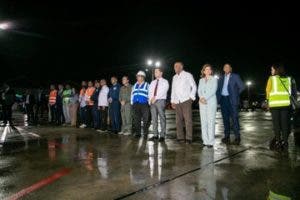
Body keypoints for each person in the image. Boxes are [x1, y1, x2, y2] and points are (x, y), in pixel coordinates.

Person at [266, 64, 297, 150]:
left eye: (272, 70)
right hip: (285, 105)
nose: (271, 71)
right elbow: (293, 91)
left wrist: (268, 102)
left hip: (275, 105)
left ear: (276, 70)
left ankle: (278, 142)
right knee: (285, 125)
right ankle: (285, 143)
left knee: (276, 125)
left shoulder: (271, 78)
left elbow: (268, 91)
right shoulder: (289, 78)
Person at [217, 63, 245, 145]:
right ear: (223, 69)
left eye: (228, 67)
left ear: (230, 69)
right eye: (225, 67)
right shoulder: (221, 78)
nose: (226, 68)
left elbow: (242, 87)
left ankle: (237, 137)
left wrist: (235, 95)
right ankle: (226, 136)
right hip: (223, 100)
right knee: (225, 119)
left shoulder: (235, 76)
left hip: (232, 100)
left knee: (234, 119)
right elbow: (218, 89)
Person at [171, 62, 197, 144]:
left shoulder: (187, 75)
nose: (176, 67)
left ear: (182, 67)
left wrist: (191, 97)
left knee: (188, 120)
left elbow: (194, 86)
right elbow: (173, 90)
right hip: (177, 101)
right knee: (178, 121)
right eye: (175, 66)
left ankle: (189, 138)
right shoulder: (174, 77)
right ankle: (180, 137)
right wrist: (172, 101)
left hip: (186, 100)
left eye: (178, 66)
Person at [198, 64, 218, 148]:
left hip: (211, 102)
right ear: (203, 71)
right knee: (203, 122)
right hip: (202, 103)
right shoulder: (201, 80)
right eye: (206, 69)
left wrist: (205, 98)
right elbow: (199, 90)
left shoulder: (214, 79)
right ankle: (205, 141)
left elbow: (213, 90)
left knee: (210, 121)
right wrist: (201, 98)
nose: (208, 71)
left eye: (209, 69)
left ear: (211, 71)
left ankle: (211, 141)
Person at [148, 68, 169, 142]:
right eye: (154, 72)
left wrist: (155, 98)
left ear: (161, 73)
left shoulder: (165, 81)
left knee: (162, 118)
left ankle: (162, 135)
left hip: (160, 101)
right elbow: (150, 92)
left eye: (157, 72)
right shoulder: (152, 82)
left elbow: (163, 91)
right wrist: (150, 100)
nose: (155, 73)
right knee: (154, 119)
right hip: (152, 102)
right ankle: (155, 135)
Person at [131, 71, 150, 138]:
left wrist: (149, 103)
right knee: (136, 119)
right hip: (136, 104)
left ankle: (145, 133)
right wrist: (132, 103)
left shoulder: (147, 85)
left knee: (146, 119)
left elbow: (149, 94)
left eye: (139, 76)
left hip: (144, 104)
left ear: (143, 77)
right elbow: (132, 95)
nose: (138, 77)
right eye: (137, 76)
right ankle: (138, 133)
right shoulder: (134, 85)